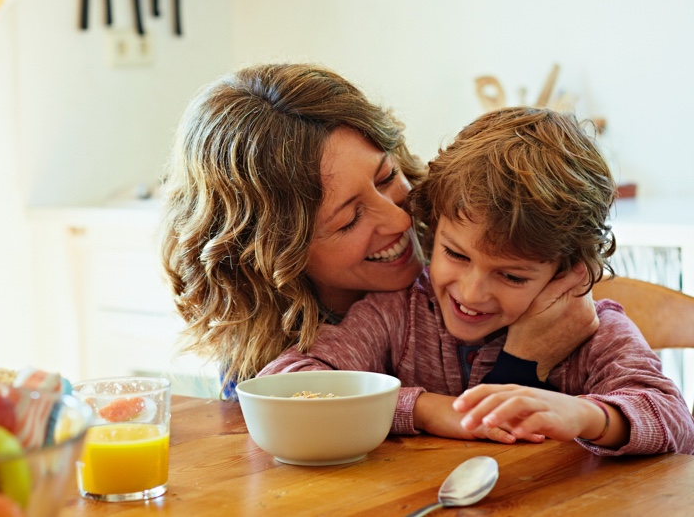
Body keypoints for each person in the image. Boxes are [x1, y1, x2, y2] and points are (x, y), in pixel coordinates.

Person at [260, 106, 694, 455]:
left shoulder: (593, 332)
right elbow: (291, 383)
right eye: (455, 254)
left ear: (565, 273)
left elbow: (674, 420)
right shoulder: (397, 314)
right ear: (434, 225)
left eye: (511, 275)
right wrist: (426, 409)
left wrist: (589, 417)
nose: (471, 292)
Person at [159, 63, 596, 401]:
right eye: (349, 219)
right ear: (272, 252)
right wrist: (518, 366)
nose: (400, 221)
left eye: (387, 177)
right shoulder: (271, 366)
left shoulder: (476, 264)